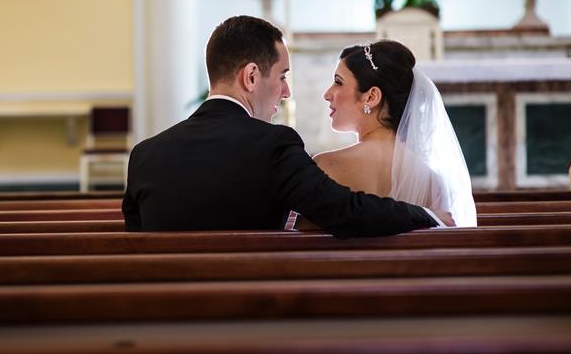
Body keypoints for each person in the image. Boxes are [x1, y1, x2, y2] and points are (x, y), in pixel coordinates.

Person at [122, 16, 454, 236]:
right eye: (282, 76)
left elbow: (134, 248)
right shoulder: (274, 146)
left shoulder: (144, 156)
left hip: (163, 322)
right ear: (251, 76)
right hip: (254, 323)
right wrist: (428, 216)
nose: (286, 91)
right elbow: (344, 211)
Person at [315, 41, 476, 227]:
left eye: (338, 82)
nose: (327, 94)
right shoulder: (431, 181)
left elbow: (303, 245)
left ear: (371, 97)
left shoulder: (325, 167)